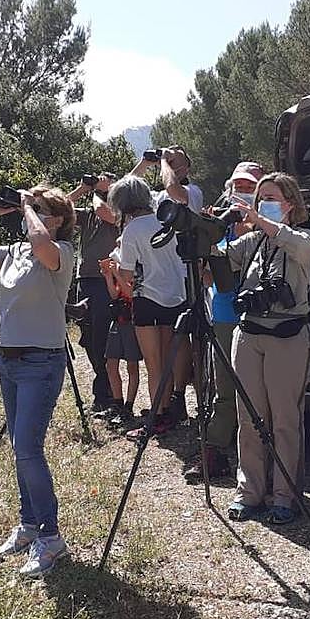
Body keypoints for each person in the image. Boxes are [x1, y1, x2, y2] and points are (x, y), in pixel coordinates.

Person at [0, 184, 79, 579]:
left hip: (40, 360)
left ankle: (50, 535)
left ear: (59, 219)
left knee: (28, 448)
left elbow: (42, 244)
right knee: (19, 447)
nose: (33, 212)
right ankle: (29, 525)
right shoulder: (13, 253)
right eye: (33, 208)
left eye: (44, 209)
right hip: (7, 358)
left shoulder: (60, 253)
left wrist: (30, 207)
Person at [222, 173, 310, 526]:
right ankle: (250, 492)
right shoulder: (253, 243)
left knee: (284, 420)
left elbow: (301, 246)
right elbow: (219, 259)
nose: (262, 205)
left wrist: (258, 218)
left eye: (271, 198)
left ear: (290, 204)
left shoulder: (303, 239)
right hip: (249, 336)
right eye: (260, 199)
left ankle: (284, 495)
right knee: (249, 419)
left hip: (287, 339)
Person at [192, 161, 264, 481]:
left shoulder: (268, 227)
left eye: (250, 188)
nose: (242, 193)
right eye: (239, 187)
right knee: (223, 388)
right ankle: (216, 450)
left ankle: (257, 459)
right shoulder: (220, 227)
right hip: (224, 315)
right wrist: (206, 241)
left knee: (255, 393)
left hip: (258, 320)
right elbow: (208, 279)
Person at [111, 174, 188, 439]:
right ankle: (169, 412)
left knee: (153, 366)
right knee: (167, 360)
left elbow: (127, 274)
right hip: (176, 297)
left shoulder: (132, 229)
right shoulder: (168, 219)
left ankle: (156, 417)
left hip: (147, 299)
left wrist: (116, 263)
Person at [132, 147, 203, 429]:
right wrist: (144, 164)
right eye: (168, 161)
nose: (169, 164)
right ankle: (169, 403)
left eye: (176, 161)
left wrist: (164, 162)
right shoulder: (156, 197)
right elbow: (130, 194)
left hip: (185, 279)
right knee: (165, 348)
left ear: (187, 167)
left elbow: (176, 192)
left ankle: (180, 397)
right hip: (159, 282)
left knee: (182, 341)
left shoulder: (193, 192)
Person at [65, 173, 119, 416]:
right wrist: (82, 188)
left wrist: (99, 193)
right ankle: (103, 390)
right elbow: (55, 212)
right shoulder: (86, 213)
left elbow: (104, 212)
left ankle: (106, 394)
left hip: (106, 281)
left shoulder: (117, 212)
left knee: (102, 337)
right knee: (88, 337)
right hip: (85, 280)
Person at [99, 241, 142, 427]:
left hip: (133, 321)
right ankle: (117, 403)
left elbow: (131, 293)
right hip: (118, 319)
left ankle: (128, 406)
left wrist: (116, 272)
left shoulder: (135, 265)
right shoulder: (120, 265)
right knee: (111, 363)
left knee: (132, 366)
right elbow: (115, 295)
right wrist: (109, 276)